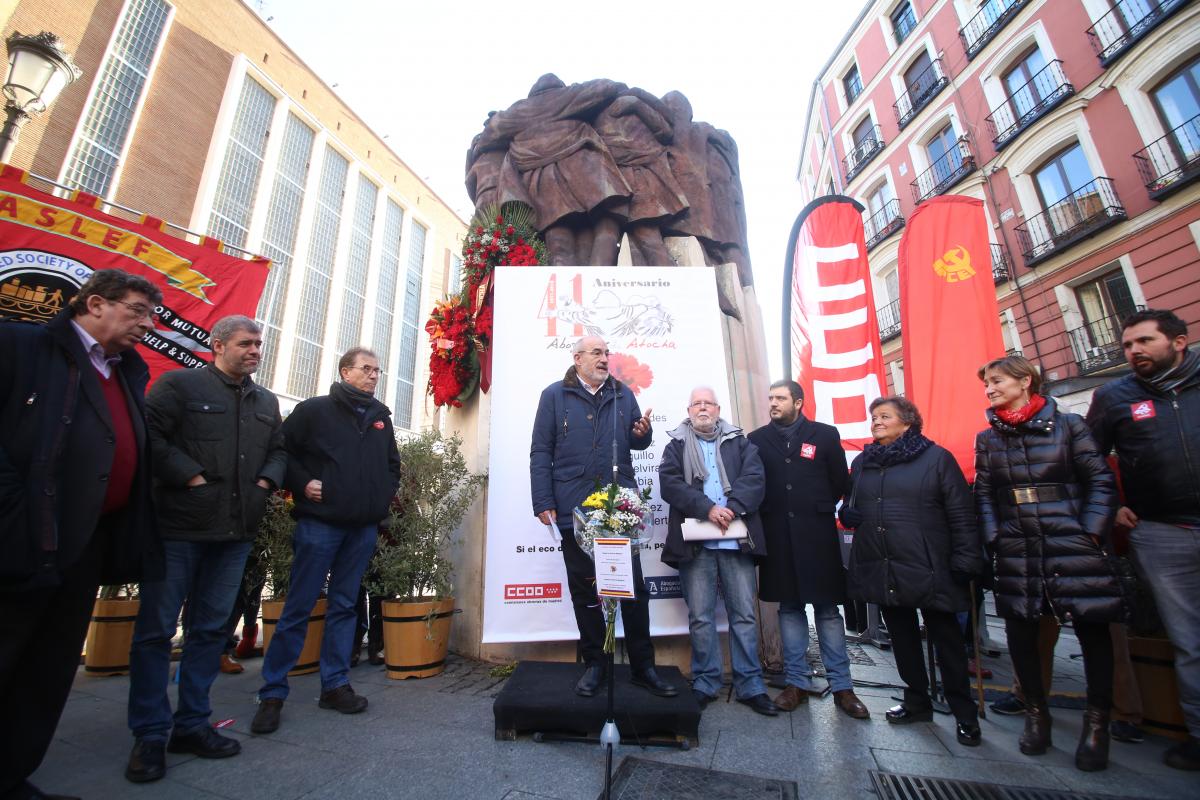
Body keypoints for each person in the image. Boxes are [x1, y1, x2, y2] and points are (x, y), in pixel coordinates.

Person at [0, 269, 162, 800]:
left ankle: (11, 774)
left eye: (150, 313)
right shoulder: (24, 347)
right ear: (94, 303)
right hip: (22, 537)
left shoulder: (126, 371)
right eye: (137, 310)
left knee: (47, 668)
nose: (147, 323)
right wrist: (15, 509)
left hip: (86, 542)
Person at [125, 315, 287, 783]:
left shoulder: (265, 400)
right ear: (217, 345)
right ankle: (151, 734)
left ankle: (192, 723)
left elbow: (279, 449)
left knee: (211, 631)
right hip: (178, 529)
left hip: (235, 533)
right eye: (245, 343)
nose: (255, 350)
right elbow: (147, 437)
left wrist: (265, 481)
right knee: (156, 633)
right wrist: (189, 476)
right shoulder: (178, 386)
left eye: (259, 344)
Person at [975, 355, 1122, 771]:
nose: (989, 389)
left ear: (1025, 381)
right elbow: (984, 495)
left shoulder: (1070, 426)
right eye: (987, 384)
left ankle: (1098, 723)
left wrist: (1091, 531)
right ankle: (1036, 714)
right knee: (1021, 629)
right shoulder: (988, 438)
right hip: (1018, 542)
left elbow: (1099, 480)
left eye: (997, 381)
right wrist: (993, 536)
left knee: (1092, 628)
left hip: (1071, 538)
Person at [251, 347, 401, 734]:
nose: (373, 376)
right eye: (366, 369)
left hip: (362, 528)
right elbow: (283, 452)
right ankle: (272, 692)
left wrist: (381, 496)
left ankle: (335, 685)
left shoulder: (381, 416)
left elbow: (391, 467)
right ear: (344, 371)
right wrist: (302, 483)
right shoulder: (314, 410)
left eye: (377, 370)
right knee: (299, 607)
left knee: (344, 607)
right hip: (320, 524)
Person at [530, 335, 677, 698]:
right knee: (585, 590)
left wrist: (643, 434)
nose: (604, 358)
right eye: (596, 352)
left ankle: (643, 667)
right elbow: (540, 451)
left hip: (617, 509)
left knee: (634, 590)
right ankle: (595, 664)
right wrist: (542, 500)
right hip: (572, 507)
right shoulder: (553, 396)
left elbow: (636, 441)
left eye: (606, 353)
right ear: (577, 357)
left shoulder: (622, 393)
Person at [1086, 308, 1200, 770]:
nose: (1134, 351)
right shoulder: (1114, 396)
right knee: (1189, 638)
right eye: (1128, 345)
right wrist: (1110, 503)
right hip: (1160, 531)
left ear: (1178, 341)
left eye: (1144, 342)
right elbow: (1088, 459)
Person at [839, 396, 982, 746]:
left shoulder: (936, 459)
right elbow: (849, 507)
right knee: (901, 637)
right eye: (873, 417)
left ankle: (965, 714)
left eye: (884, 416)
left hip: (930, 563)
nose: (876, 421)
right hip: (883, 562)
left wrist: (967, 559)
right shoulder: (862, 463)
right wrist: (847, 515)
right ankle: (916, 700)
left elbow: (962, 514)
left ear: (907, 422)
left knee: (946, 639)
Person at [748, 380, 870, 719]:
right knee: (789, 608)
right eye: (770, 397)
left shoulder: (825, 435)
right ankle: (796, 683)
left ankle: (843, 687)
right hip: (778, 537)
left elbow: (838, 483)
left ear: (798, 402)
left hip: (816, 536)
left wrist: (814, 507)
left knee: (828, 611)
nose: (773, 403)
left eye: (780, 398)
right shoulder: (756, 440)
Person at [659, 387, 775, 715]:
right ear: (689, 409)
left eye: (708, 403)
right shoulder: (676, 445)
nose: (703, 407)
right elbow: (670, 483)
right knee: (700, 617)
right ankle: (706, 682)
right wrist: (708, 507)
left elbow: (755, 479)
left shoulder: (740, 442)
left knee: (744, 615)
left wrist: (733, 507)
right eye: (697, 403)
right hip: (696, 544)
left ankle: (751, 685)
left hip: (736, 540)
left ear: (718, 408)